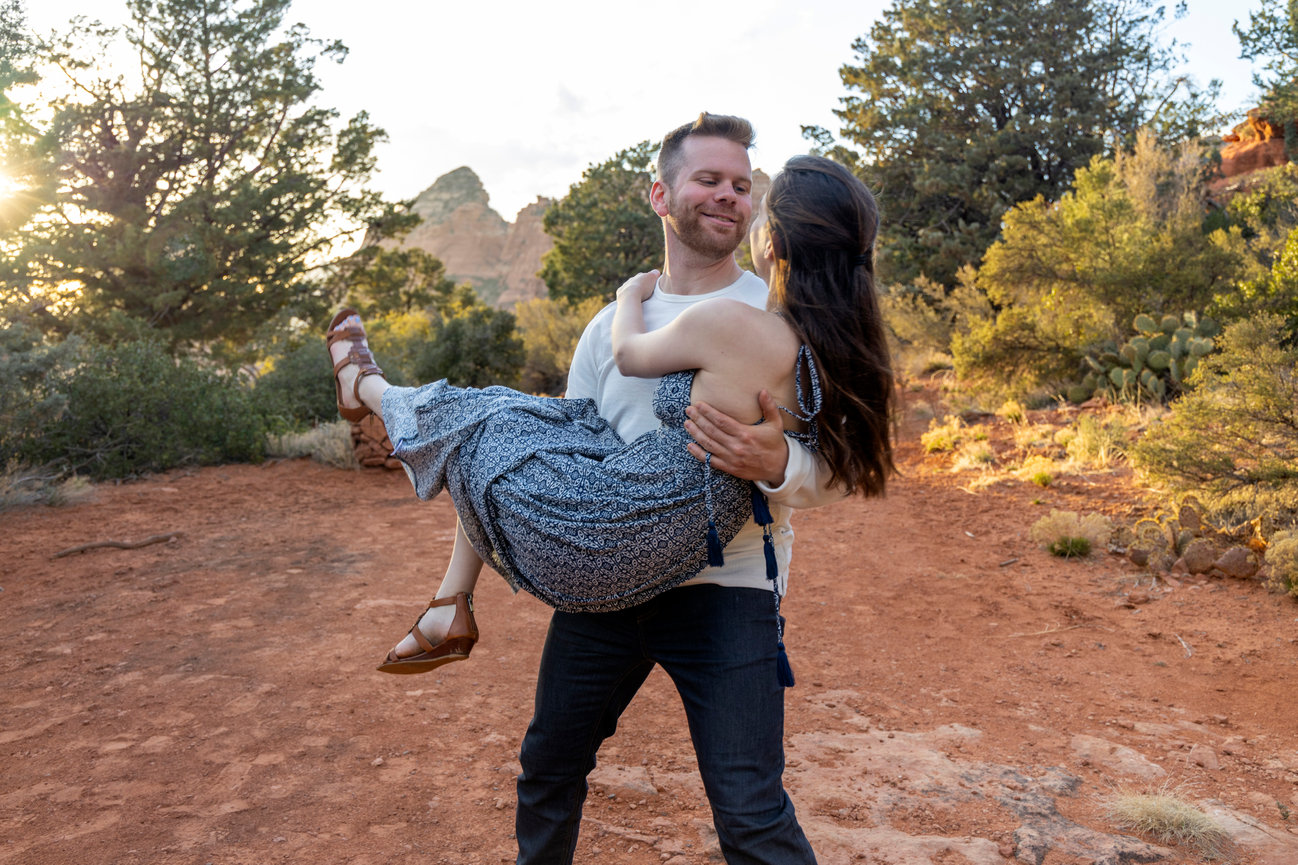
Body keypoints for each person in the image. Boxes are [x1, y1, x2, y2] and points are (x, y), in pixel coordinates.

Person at [327, 113, 895, 863]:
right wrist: (461, 579)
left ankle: (368, 390)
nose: (729, 195)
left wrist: (778, 462)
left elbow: (841, 469)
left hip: (727, 590)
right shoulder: (605, 329)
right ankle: (444, 592)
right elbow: (555, 455)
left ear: (766, 221)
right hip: (604, 587)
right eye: (710, 179)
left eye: (742, 185)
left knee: (750, 811)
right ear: (661, 195)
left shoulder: (782, 312)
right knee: (548, 769)